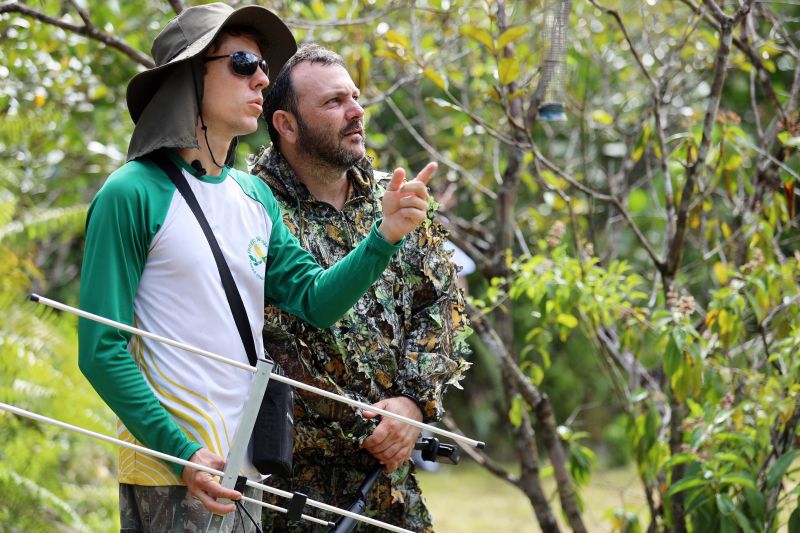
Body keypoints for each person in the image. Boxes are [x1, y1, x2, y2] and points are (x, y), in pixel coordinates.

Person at [77, 6, 433, 532]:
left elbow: (315, 300)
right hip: (170, 474)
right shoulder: (131, 193)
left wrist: (383, 238)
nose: (263, 77)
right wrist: (184, 454)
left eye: (262, 64)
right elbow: (100, 349)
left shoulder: (254, 196)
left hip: (247, 472)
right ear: (190, 75)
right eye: (243, 63)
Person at [250, 44, 471, 532]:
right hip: (287, 492)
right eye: (333, 102)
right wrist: (364, 426)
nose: (356, 112)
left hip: (387, 487)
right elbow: (269, 336)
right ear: (286, 125)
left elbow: (442, 307)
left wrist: (412, 404)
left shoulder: (397, 199)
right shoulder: (247, 206)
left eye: (354, 96)